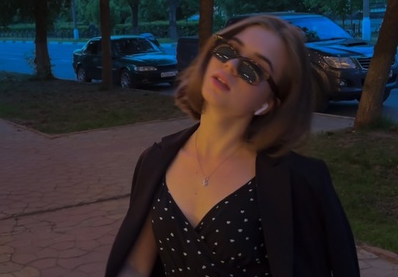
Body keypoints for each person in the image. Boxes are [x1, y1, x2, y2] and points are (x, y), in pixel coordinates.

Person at [105, 15, 360, 277]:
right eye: (227, 50)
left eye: (253, 69)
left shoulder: (300, 182)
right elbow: (136, 266)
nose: (232, 65)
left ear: (266, 103)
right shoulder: (155, 160)